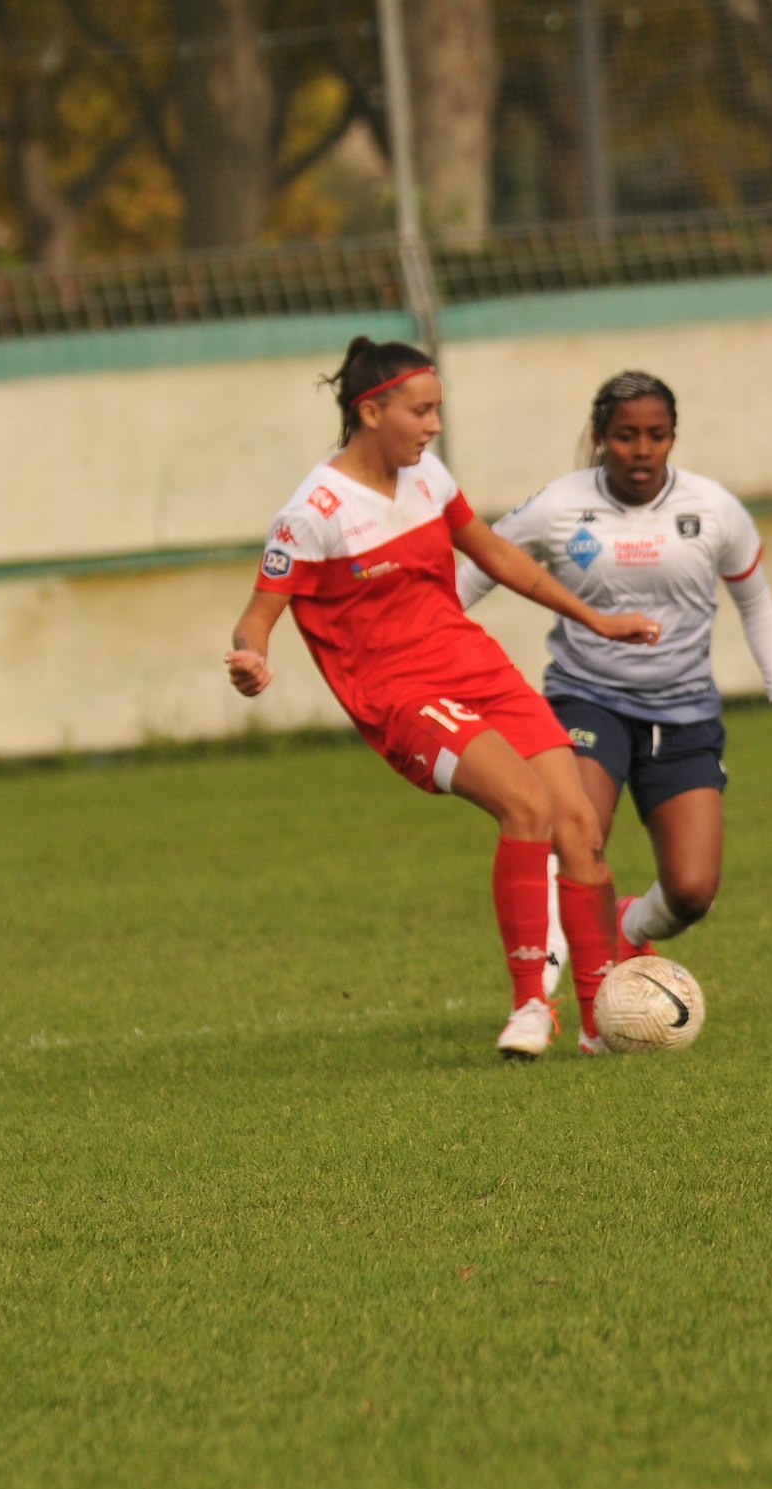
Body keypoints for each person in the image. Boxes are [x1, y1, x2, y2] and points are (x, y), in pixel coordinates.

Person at [225, 338, 659, 1059]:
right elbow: (259, 615)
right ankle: (530, 1007)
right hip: (401, 696)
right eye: (421, 411)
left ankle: (599, 1021)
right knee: (527, 805)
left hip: (475, 668)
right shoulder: (313, 511)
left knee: (579, 823)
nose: (433, 427)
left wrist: (598, 618)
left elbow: (498, 557)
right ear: (372, 410)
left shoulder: (426, 476)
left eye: (438, 412)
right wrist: (249, 658)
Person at [460, 372, 772, 960]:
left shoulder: (713, 509)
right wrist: (421, 645)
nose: (642, 450)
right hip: (587, 700)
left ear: (673, 438)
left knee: (693, 892)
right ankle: (558, 992)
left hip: (683, 717)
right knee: (578, 840)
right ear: (601, 437)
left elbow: (755, 603)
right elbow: (478, 569)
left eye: (656, 435)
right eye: (627, 435)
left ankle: (627, 931)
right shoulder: (559, 505)